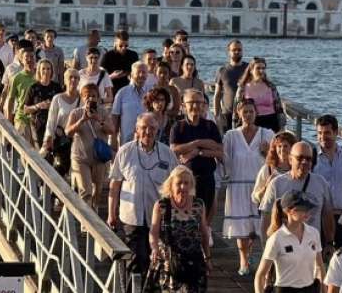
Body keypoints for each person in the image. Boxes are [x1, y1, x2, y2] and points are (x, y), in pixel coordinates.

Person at [108, 113, 178, 277]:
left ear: (157, 130)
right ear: (137, 130)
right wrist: (111, 214)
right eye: (144, 128)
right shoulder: (125, 151)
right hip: (132, 218)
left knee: (157, 263)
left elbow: (177, 185)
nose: (148, 131)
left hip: (158, 218)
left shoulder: (167, 154)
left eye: (152, 128)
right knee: (135, 261)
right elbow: (114, 185)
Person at [222, 99, 274, 274]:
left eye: (251, 111)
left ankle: (260, 259)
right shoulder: (231, 136)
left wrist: (267, 152)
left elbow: (276, 160)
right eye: (245, 112)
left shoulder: (266, 135)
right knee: (242, 227)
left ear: (256, 113)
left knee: (259, 226)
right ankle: (244, 261)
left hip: (260, 186)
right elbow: (224, 159)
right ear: (238, 113)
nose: (248, 115)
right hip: (238, 185)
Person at [260, 142, 334, 252]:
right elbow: (266, 218)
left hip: (312, 248)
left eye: (308, 159)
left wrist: (329, 243)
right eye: (300, 158)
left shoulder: (321, 183)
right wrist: (266, 249)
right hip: (285, 250)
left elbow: (327, 215)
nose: (304, 162)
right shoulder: (277, 184)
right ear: (290, 159)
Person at [148, 165, 211, 293]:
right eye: (179, 183)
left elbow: (204, 233)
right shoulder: (161, 206)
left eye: (186, 183)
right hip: (170, 263)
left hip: (194, 262)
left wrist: (208, 258)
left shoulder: (199, 205)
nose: (183, 187)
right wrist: (154, 249)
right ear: (171, 185)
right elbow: (153, 233)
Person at [253, 190, 326, 293]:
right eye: (302, 209)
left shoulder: (314, 233)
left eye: (308, 208)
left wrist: (324, 290)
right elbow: (260, 275)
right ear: (289, 211)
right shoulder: (276, 239)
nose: (307, 212)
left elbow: (319, 266)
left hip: (310, 289)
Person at [170, 88, 223, 222]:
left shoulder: (210, 126)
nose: (196, 106)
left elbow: (219, 150)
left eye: (200, 102)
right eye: (192, 102)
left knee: (205, 215)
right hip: (185, 181)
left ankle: (205, 238)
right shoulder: (178, 126)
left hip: (207, 178)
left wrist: (198, 151)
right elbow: (174, 150)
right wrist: (197, 143)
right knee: (186, 216)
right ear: (184, 106)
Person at [65, 84, 115, 211]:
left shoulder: (103, 112)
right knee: (86, 191)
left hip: (99, 158)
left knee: (98, 190)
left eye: (93, 96)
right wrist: (82, 120)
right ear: (82, 98)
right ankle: (85, 225)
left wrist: (99, 120)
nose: (90, 99)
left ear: (98, 98)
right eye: (87, 96)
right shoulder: (76, 113)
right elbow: (68, 132)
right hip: (81, 158)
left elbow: (111, 130)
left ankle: (95, 209)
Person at [313, 115, 342, 249]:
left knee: (340, 256)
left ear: (336, 132)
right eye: (319, 133)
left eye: (327, 132)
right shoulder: (313, 156)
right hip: (319, 216)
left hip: (341, 218)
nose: (322, 137)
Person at [42, 68, 82, 176]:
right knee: (59, 168)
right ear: (65, 80)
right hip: (61, 140)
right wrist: (48, 138)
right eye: (70, 77)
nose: (73, 80)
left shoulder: (82, 99)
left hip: (77, 140)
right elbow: (51, 120)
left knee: (75, 171)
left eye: (76, 78)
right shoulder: (57, 98)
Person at [235, 57, 283, 133]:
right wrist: (235, 128)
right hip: (251, 122)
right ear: (251, 70)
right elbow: (236, 109)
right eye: (258, 68)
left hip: (270, 122)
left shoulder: (271, 86)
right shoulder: (243, 87)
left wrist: (282, 127)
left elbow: (279, 109)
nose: (261, 71)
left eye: (263, 68)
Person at [21, 59, 61, 148]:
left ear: (52, 71)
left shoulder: (57, 87)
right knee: (41, 153)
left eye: (48, 69)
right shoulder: (34, 87)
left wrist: (52, 106)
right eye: (43, 69)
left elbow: (62, 106)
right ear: (39, 71)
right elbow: (25, 110)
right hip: (38, 125)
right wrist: (38, 106)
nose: (46, 71)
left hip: (54, 125)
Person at [252, 131, 296, 210]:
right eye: (279, 146)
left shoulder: (296, 170)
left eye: (285, 146)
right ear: (274, 149)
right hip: (270, 215)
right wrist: (266, 187)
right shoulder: (267, 169)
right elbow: (255, 198)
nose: (282, 149)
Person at [213, 40, 248, 133]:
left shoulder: (249, 69)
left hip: (247, 113)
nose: (237, 52)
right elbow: (217, 95)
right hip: (227, 114)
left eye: (239, 50)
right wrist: (217, 115)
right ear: (229, 52)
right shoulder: (222, 71)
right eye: (234, 50)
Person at [111, 61, 149, 147]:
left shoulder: (151, 92)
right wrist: (113, 139)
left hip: (147, 141)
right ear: (132, 74)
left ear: (147, 75)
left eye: (144, 72)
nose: (141, 75)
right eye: (138, 72)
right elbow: (115, 117)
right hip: (126, 142)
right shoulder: (122, 93)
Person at [101, 30, 139, 96]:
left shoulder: (133, 55)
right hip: (112, 89)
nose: (124, 48)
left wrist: (130, 75)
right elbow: (100, 77)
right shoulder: (108, 56)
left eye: (126, 46)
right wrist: (112, 76)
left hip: (129, 89)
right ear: (115, 43)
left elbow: (137, 72)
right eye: (121, 46)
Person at [5, 47, 36, 125]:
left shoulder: (39, 77)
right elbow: (11, 99)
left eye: (32, 57)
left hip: (37, 119)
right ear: (22, 60)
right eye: (26, 57)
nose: (29, 59)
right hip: (21, 118)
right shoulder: (16, 78)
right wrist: (9, 118)